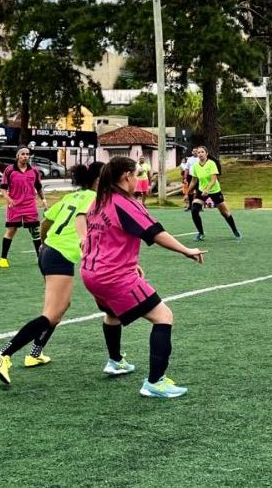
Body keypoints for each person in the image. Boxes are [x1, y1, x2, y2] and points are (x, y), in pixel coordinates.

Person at [81, 156, 205, 398]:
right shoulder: (126, 203)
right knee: (163, 316)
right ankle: (155, 382)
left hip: (90, 273)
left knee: (112, 314)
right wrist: (186, 250)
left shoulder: (97, 202)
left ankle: (115, 361)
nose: (138, 180)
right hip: (113, 276)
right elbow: (155, 233)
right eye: (136, 175)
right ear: (126, 176)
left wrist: (131, 262)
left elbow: (102, 236)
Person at [0, 163, 105, 385]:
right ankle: (3, 355)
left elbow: (46, 222)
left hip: (48, 251)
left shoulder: (73, 197)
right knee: (51, 314)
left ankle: (35, 353)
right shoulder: (95, 200)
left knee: (59, 308)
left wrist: (42, 245)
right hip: (60, 256)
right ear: (98, 179)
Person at [0, 146, 47, 268]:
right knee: (11, 230)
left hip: (30, 205)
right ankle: (3, 258)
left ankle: (40, 258)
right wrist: (9, 199)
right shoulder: (9, 170)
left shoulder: (34, 171)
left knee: (35, 232)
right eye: (23, 154)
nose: (26, 156)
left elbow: (39, 187)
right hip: (14, 206)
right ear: (18, 156)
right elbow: (3, 189)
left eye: (27, 154)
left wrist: (44, 200)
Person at [188, 146, 241, 241]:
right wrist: (188, 192)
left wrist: (207, 190)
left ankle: (235, 230)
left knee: (225, 213)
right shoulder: (195, 166)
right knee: (194, 209)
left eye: (202, 152)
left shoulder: (211, 164)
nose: (200, 154)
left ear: (206, 153)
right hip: (201, 190)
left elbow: (213, 180)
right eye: (198, 152)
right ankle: (200, 233)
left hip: (214, 190)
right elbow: (193, 180)